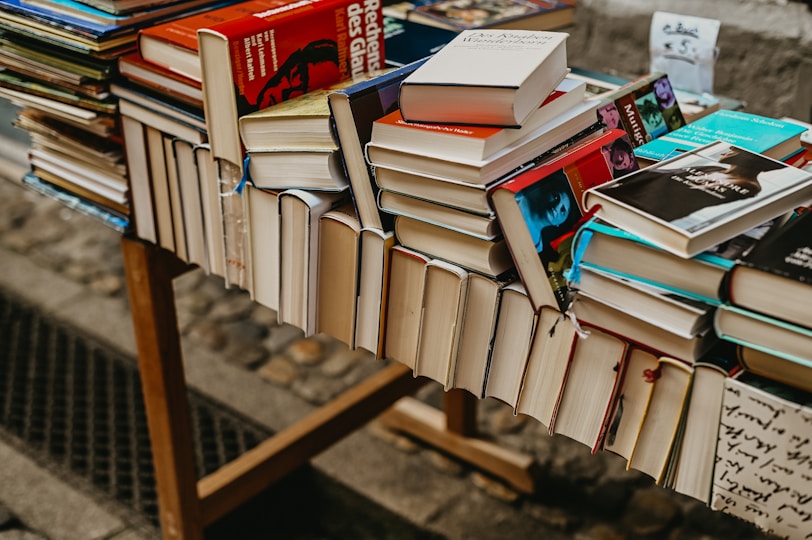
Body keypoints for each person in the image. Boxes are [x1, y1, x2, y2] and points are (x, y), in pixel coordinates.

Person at [600, 143, 787, 223]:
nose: (724, 153)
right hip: (625, 198)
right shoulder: (713, 169)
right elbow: (659, 174)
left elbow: (680, 196)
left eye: (730, 150)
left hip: (646, 212)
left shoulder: (749, 186)